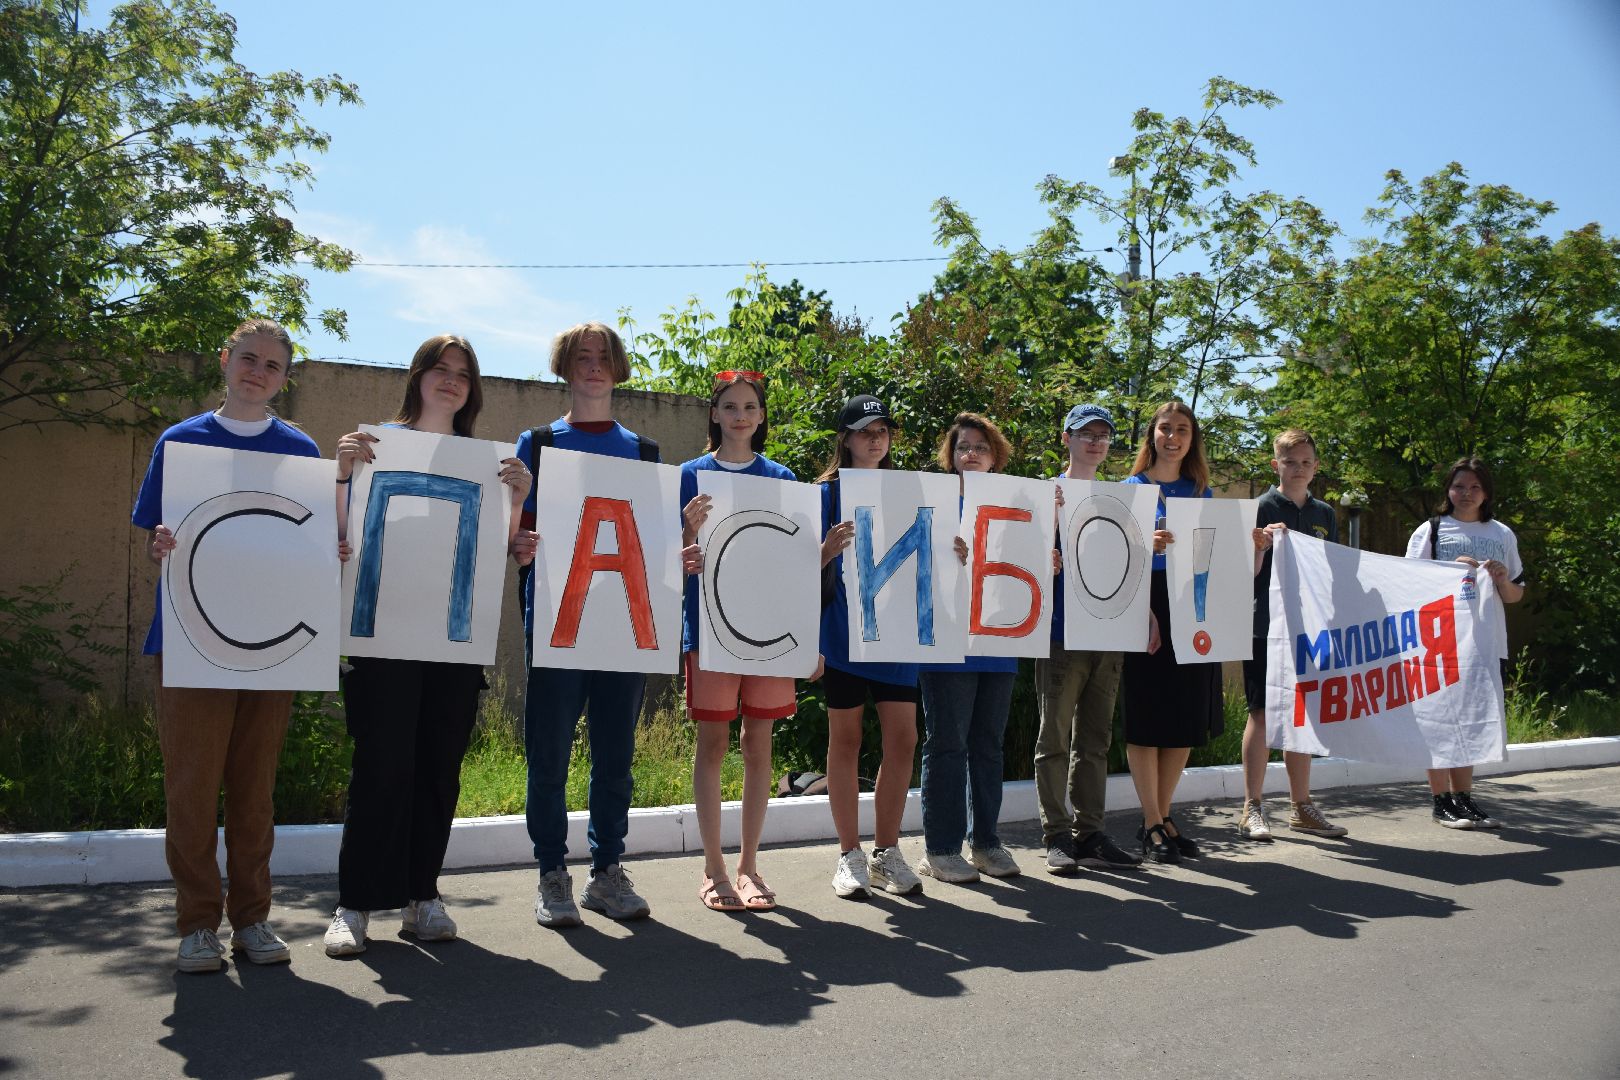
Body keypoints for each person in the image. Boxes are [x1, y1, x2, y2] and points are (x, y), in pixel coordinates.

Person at [321, 334, 535, 957]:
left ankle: (423, 898)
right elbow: (340, 532)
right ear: (417, 376)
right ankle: (354, 905)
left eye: (463, 374)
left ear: (473, 389)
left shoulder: (484, 464)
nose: (450, 381)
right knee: (381, 769)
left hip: (452, 642)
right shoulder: (373, 447)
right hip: (382, 636)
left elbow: (496, 552)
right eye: (440, 369)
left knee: (438, 771)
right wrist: (340, 473)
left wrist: (516, 502)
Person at [133, 318, 319, 972]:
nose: (257, 372)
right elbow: (161, 531)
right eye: (249, 358)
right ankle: (195, 926)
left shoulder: (302, 451)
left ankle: (253, 920)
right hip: (190, 641)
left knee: (253, 789)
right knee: (191, 788)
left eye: (272, 365)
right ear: (225, 359)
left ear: (284, 378)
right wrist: (160, 542)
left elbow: (307, 546)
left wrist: (332, 549)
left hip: (272, 646)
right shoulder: (180, 443)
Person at [519, 322, 659, 926]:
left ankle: (607, 872)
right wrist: (517, 542)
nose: (594, 366)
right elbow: (514, 529)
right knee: (547, 755)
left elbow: (648, 546)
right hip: (557, 626)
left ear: (618, 367)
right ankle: (552, 872)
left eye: (604, 356)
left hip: (623, 629)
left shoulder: (645, 453)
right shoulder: (538, 443)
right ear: (565, 366)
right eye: (583, 357)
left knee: (615, 758)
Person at [677, 371, 797, 912]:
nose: (741, 415)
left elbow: (792, 561)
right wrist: (684, 540)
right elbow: (666, 559)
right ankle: (713, 869)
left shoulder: (782, 476)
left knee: (759, 746)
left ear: (762, 415)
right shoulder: (688, 475)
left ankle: (749, 865)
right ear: (714, 414)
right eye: (730, 406)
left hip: (768, 631)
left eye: (750, 406)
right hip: (710, 627)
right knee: (714, 744)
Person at [817, 394, 924, 898]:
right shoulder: (823, 494)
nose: (874, 437)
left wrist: (954, 549)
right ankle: (849, 855)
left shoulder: (915, 491)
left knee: (903, 739)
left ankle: (886, 852)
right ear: (845, 438)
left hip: (899, 635)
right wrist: (823, 552)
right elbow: (794, 568)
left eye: (882, 429)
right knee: (847, 741)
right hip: (842, 636)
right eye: (863, 430)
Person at [1035, 404, 1146, 875]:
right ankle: (1056, 835)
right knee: (1053, 737)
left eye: (1103, 435)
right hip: (1061, 633)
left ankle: (1090, 834)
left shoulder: (1121, 499)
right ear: (1067, 438)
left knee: (1096, 740)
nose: (1096, 442)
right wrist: (1047, 547)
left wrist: (1150, 544)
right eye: (1086, 434)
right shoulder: (1046, 495)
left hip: (1109, 631)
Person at [915, 413, 1023, 884]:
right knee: (948, 745)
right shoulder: (933, 502)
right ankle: (940, 849)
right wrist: (946, 551)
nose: (971, 453)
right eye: (963, 447)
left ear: (995, 455)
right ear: (952, 457)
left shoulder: (1020, 503)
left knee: (988, 746)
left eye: (980, 446)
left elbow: (1029, 563)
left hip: (1000, 640)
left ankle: (987, 843)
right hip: (948, 642)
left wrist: (1049, 558)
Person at [1121, 401, 1224, 864]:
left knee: (1183, 718)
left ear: (1191, 439)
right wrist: (1146, 546)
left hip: (1193, 603)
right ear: (1152, 435)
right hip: (1145, 602)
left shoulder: (1202, 490)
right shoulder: (1130, 489)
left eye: (1183, 429)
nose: (1173, 436)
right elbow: (1112, 558)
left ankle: (1163, 816)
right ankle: (1149, 821)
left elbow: (1215, 555)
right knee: (1146, 717)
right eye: (1166, 428)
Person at [1238, 429, 1348, 841]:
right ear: (1275, 465)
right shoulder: (1260, 508)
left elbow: (1333, 574)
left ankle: (1301, 806)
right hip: (1264, 627)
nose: (1298, 469)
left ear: (1316, 467)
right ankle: (1252, 807)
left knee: (1302, 716)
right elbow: (1243, 574)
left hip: (1310, 629)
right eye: (1290, 462)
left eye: (1305, 462)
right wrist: (1261, 547)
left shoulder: (1326, 514)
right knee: (1263, 715)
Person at [1404, 457, 1525, 829]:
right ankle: (1440, 800)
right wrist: (1450, 569)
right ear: (1448, 490)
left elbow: (1516, 594)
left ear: (1486, 491)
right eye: (1459, 486)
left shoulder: (1502, 534)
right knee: (1438, 720)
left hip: (1483, 642)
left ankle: (1464, 798)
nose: (1466, 493)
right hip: (1438, 641)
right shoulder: (1432, 529)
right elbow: (1407, 582)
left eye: (1474, 487)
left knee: (1470, 719)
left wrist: (1502, 579)